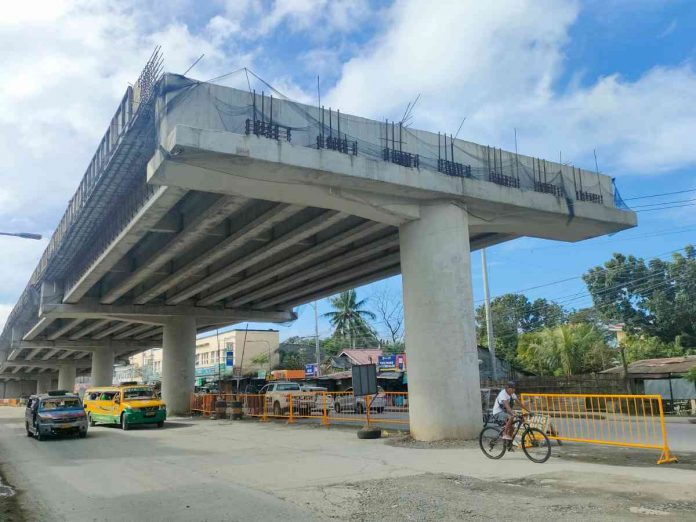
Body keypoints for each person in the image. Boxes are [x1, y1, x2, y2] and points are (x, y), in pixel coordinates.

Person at [491, 381, 528, 447]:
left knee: (512, 428)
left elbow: (519, 403)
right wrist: (512, 413)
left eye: (514, 389)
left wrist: (529, 411)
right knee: (511, 416)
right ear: (507, 388)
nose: (514, 390)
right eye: (512, 389)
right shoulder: (503, 394)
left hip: (505, 412)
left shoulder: (512, 394)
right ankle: (505, 434)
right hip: (498, 413)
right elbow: (507, 407)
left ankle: (508, 444)